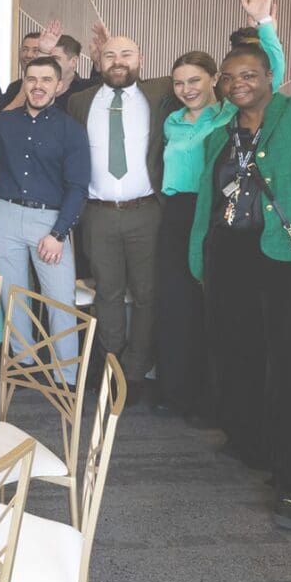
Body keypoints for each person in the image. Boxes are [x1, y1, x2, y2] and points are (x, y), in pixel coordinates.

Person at [188, 23, 291, 530]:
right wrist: (201, 259)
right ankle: (257, 445)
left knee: (285, 368)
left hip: (284, 259)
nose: (238, 83)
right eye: (229, 77)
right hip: (230, 259)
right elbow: (209, 201)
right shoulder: (220, 136)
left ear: (270, 76)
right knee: (238, 355)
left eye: (249, 74)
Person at [156, 0, 285, 420]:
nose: (186, 88)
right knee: (175, 303)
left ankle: (209, 399)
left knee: (210, 306)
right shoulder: (172, 121)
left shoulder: (230, 112)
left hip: (215, 211)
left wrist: (264, 23)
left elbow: (272, 73)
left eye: (195, 80)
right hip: (175, 215)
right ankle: (175, 391)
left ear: (214, 79)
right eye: (178, 82)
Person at [0, 60, 90, 383]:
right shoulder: (4, 121)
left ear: (59, 86)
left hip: (50, 221)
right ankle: (24, 363)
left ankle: (66, 377)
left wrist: (59, 233)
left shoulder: (71, 129)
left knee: (60, 300)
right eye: (31, 79)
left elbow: (78, 187)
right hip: (6, 215)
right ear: (24, 83)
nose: (38, 86)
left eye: (46, 80)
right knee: (13, 295)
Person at [67, 34, 179, 404]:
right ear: (98, 61)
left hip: (146, 212)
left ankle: (135, 371)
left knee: (147, 294)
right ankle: (112, 367)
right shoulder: (80, 101)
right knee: (108, 294)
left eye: (126, 54)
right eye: (109, 55)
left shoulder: (161, 94)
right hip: (98, 215)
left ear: (140, 59)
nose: (118, 61)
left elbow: (206, 84)